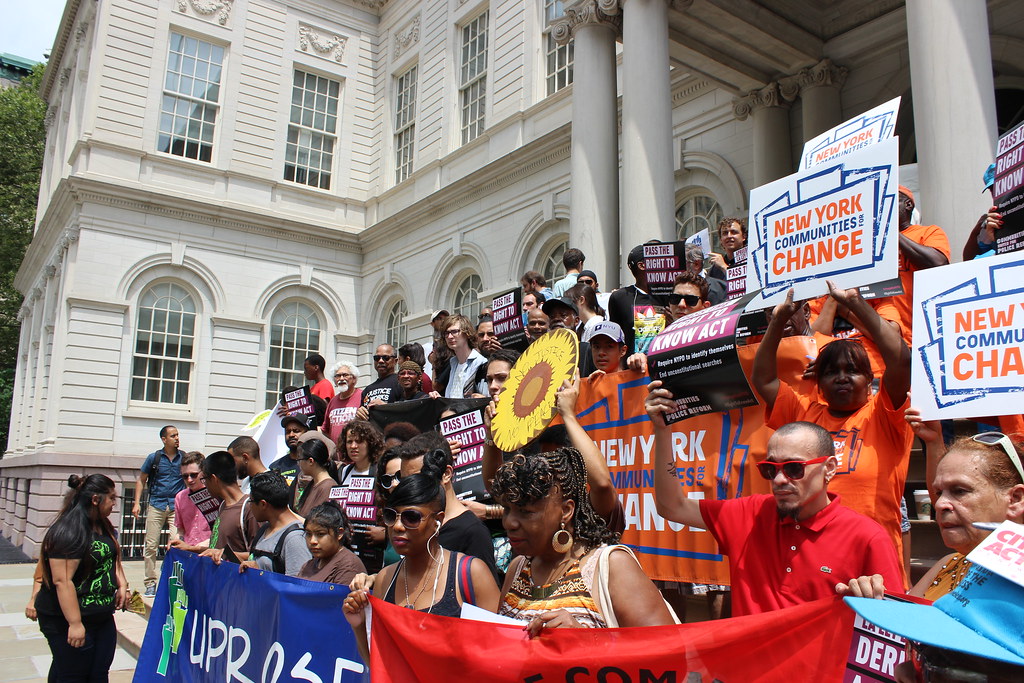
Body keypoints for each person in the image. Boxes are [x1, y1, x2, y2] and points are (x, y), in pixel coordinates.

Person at [644, 396, 905, 616]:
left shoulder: (867, 538)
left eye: (794, 468)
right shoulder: (750, 513)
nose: (779, 480)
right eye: (770, 469)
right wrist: (662, 429)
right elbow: (671, 507)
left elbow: (895, 624)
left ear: (829, 469)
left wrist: (871, 605)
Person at [752, 283, 913, 566]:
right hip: (812, 560)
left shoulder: (885, 415)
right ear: (818, 384)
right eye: (830, 372)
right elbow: (764, 379)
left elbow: (901, 360)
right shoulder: (803, 415)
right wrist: (777, 321)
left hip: (873, 561)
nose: (841, 378)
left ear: (869, 380)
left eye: (852, 371)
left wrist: (856, 302)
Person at [491, 448, 674, 634]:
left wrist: (587, 640)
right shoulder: (517, 568)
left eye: (526, 512)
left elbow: (665, 648)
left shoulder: (612, 566)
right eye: (506, 509)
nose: (509, 523)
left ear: (565, 511)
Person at [848, 420, 1024, 601]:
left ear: (1015, 499)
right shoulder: (947, 565)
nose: (940, 504)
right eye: (939, 493)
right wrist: (873, 602)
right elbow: (904, 621)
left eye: (960, 491)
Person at [343, 472, 501, 664]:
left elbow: (498, 657)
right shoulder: (386, 578)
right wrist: (359, 625)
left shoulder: (471, 573)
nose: (398, 526)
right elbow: (380, 664)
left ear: (438, 520)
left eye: (412, 517)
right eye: (391, 516)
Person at [35, 474, 127, 682]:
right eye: (111, 498)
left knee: (97, 673)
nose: (114, 503)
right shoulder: (69, 532)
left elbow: (111, 557)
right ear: (95, 499)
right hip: (65, 619)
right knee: (73, 675)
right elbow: (62, 581)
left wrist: (122, 583)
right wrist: (75, 623)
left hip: (101, 616)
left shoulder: (103, 526)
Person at [399, 433, 500, 581]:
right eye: (405, 480)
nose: (411, 487)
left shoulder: (472, 532)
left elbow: (484, 598)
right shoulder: (409, 524)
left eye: (420, 477)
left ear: (446, 474)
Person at [888, 186, 950, 344]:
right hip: (886, 339)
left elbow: (937, 263)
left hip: (923, 336)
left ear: (908, 205)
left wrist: (890, 232)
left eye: (889, 200)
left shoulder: (929, 232)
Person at [132, 425, 185, 597]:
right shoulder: (154, 458)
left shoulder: (184, 458)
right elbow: (141, 480)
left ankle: (174, 578)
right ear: (164, 439)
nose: (176, 438)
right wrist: (136, 503)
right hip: (157, 503)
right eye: (173, 436)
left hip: (176, 506)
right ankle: (150, 582)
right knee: (151, 545)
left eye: (177, 435)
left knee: (177, 544)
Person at [240, 471, 311, 577]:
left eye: (251, 501)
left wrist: (260, 574)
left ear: (263, 504)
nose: (250, 506)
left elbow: (298, 587)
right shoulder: (264, 530)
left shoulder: (295, 539)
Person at [338, 420, 388, 573]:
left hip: (374, 553)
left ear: (370, 443)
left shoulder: (381, 471)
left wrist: (386, 534)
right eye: (349, 441)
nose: (353, 446)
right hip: (348, 548)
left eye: (359, 441)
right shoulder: (343, 471)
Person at [607, 242, 668, 355]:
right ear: (642, 265)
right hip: (633, 368)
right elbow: (615, 339)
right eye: (657, 260)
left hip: (665, 364)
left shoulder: (669, 294)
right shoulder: (620, 297)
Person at [199, 451, 259, 565]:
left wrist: (225, 554)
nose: (204, 484)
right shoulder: (222, 505)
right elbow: (216, 549)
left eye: (204, 479)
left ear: (214, 479)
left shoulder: (249, 508)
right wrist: (191, 549)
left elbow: (258, 556)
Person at [297, 502, 365, 585]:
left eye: (320, 534)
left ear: (339, 533)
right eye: (308, 534)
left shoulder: (349, 565)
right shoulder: (307, 566)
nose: (312, 541)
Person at [169, 451, 211, 554]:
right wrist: (177, 542)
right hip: (188, 553)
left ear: (203, 472)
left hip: (210, 552)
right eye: (185, 476)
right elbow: (181, 530)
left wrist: (206, 543)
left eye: (194, 475)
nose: (189, 479)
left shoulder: (215, 495)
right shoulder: (180, 497)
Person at [443, 314, 487, 398]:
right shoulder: (453, 363)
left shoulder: (480, 362)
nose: (449, 336)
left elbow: (484, 397)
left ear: (467, 333)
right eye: (446, 333)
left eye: (454, 332)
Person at [295, 438, 341, 518]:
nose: (298, 464)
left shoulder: (328, 487)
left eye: (299, 460)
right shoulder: (313, 483)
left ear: (310, 461)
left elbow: (315, 521)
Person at [323, 360, 362, 444]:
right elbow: (325, 429)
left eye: (345, 375)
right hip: (336, 454)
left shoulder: (362, 396)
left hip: (355, 451)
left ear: (354, 379)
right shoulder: (333, 401)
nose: (341, 379)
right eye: (338, 376)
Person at [359, 344, 402, 413]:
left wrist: (385, 407)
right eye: (377, 358)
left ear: (395, 361)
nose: (380, 361)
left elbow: (407, 411)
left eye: (386, 357)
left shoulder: (401, 382)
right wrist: (359, 413)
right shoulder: (367, 390)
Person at [268, 415, 307, 487]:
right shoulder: (275, 467)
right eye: (288, 432)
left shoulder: (314, 464)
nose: (291, 435)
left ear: (307, 432)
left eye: (296, 431)